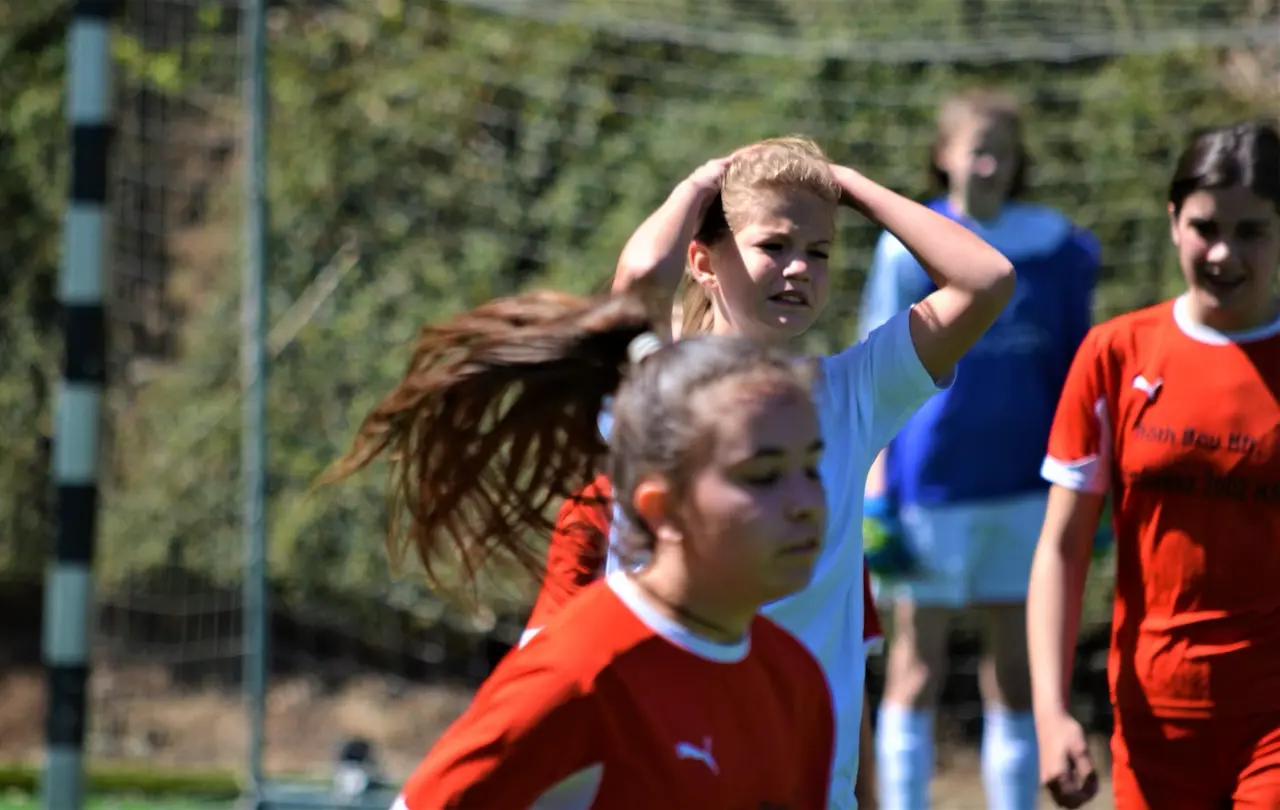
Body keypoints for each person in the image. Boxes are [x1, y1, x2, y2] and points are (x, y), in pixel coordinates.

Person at [587, 136, 1015, 809]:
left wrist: (844, 183)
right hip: (663, 778)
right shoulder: (655, 385)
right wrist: (705, 179)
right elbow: (639, 278)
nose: (799, 269)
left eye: (818, 252)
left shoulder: (851, 394)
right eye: (774, 245)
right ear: (702, 261)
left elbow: (985, 280)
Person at [323, 292, 839, 808]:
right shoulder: (579, 671)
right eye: (763, 476)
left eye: (812, 469)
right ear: (662, 508)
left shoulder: (794, 678)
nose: (806, 504)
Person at [857, 89, 1100, 810]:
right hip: (929, 489)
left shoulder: (1061, 247)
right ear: (944, 156)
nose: (988, 165)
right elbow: (876, 363)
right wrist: (875, 488)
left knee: (1017, 674)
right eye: (975, 149)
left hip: (1028, 487)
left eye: (1002, 151)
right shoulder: (909, 243)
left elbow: (1080, 372)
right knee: (914, 667)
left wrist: (1091, 489)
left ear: (1021, 161)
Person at [1028, 120, 1280, 810]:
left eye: (1251, 231)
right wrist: (1050, 712)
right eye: (1205, 227)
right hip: (1152, 715)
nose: (1224, 252)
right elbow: (1062, 546)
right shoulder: (1116, 354)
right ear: (1173, 222)